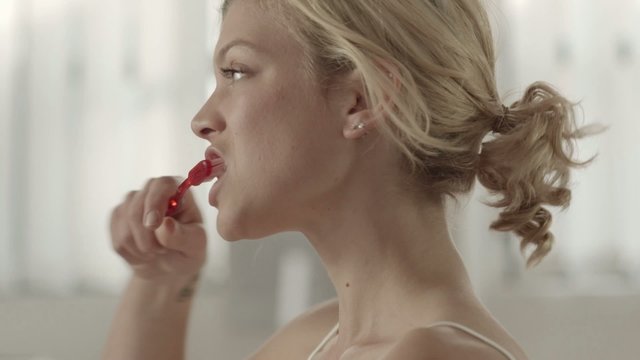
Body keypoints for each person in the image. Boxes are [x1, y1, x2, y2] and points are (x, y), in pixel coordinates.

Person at [102, 0, 595, 359]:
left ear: (358, 102)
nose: (202, 119)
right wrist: (162, 280)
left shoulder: (434, 355)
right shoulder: (314, 342)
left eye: (236, 71)